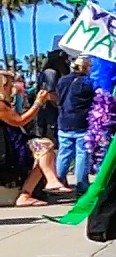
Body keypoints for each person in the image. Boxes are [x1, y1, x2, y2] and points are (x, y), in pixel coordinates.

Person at [0, 71, 68, 206]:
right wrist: (38, 103)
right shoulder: (1, 105)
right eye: (10, 84)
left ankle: (47, 181)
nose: (13, 86)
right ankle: (34, 189)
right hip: (9, 146)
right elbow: (20, 121)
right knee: (45, 147)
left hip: (11, 141)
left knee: (45, 148)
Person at [55, 56, 95, 195]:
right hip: (81, 122)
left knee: (64, 153)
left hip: (64, 120)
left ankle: (58, 182)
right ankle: (81, 185)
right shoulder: (87, 82)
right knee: (82, 155)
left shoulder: (62, 80)